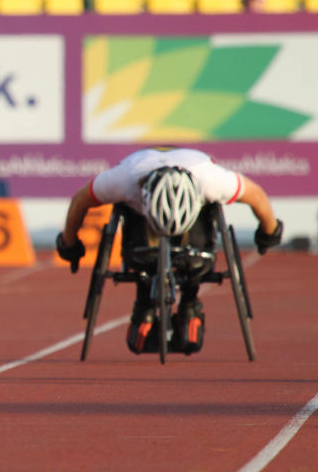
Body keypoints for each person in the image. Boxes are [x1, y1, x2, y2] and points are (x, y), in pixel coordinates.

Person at [55, 147, 282, 355]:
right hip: (141, 221)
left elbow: (256, 195)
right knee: (134, 230)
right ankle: (145, 300)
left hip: (195, 214)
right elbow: (80, 200)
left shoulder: (210, 179)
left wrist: (270, 232)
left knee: (205, 220)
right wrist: (69, 244)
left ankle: (190, 300)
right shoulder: (124, 179)